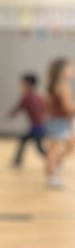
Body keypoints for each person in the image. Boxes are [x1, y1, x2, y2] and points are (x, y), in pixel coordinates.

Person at [44, 57, 75, 188]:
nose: (72, 71)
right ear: (63, 70)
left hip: (58, 121)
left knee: (66, 145)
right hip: (58, 121)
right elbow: (68, 107)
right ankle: (51, 176)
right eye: (70, 68)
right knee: (54, 149)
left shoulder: (56, 85)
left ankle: (54, 166)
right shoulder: (63, 86)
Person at [7, 72, 47, 167]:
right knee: (28, 142)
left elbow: (19, 107)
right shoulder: (38, 96)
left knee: (38, 147)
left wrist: (11, 114)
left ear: (28, 83)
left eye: (22, 83)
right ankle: (17, 161)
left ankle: (54, 160)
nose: (20, 85)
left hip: (37, 127)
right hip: (38, 126)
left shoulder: (27, 96)